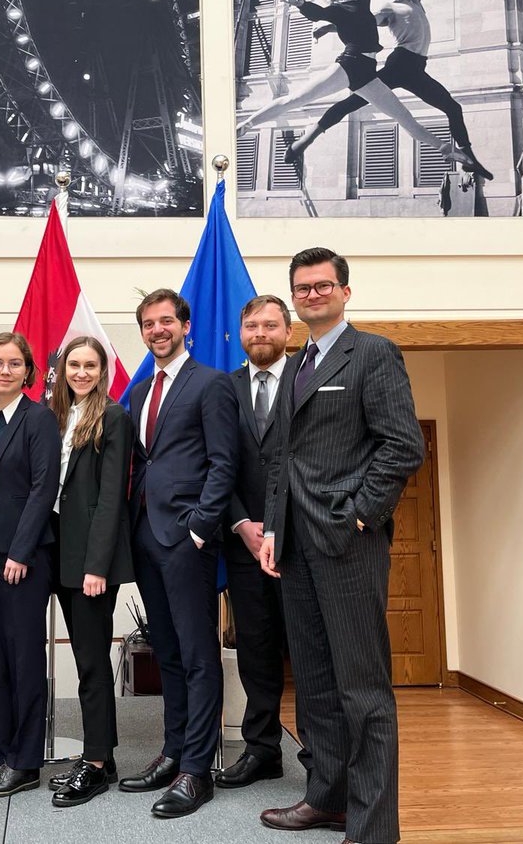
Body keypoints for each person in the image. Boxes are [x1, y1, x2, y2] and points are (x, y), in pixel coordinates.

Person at [258, 249, 423, 844]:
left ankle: (374, 827)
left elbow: (403, 447)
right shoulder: (296, 362)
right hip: (297, 549)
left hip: (347, 545)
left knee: (363, 690)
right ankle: (326, 800)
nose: (311, 295)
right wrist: (273, 530)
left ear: (345, 292)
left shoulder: (373, 353)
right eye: (301, 288)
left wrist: (359, 516)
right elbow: (281, 459)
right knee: (315, 686)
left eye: (322, 285)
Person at [120, 289, 237, 819]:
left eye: (167, 321)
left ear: (185, 326)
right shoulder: (140, 390)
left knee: (196, 655)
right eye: (149, 323)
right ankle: (173, 751)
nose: (157, 330)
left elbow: (222, 463)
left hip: (186, 540)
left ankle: (197, 768)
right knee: (165, 652)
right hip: (145, 536)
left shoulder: (210, 384)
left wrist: (199, 529)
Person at [237, 0, 470, 169]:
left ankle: (451, 152)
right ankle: (247, 124)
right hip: (349, 66)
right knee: (296, 99)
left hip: (367, 74)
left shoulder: (362, 1)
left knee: (407, 120)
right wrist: (300, 3)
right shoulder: (336, 11)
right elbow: (317, 13)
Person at [0, 332, 62, 798]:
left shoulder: (38, 418)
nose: (4, 370)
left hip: (21, 555)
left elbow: (45, 488)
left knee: (24, 658)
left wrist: (20, 552)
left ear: (28, 371)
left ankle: (25, 763)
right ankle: (3, 754)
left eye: (14, 363)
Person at [45, 336, 135, 807]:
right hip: (59, 549)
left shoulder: (113, 417)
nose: (81, 372)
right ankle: (105, 754)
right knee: (85, 654)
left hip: (91, 559)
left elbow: (110, 498)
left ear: (103, 371)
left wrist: (97, 566)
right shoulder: (55, 415)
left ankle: (96, 764)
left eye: (90, 365)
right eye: (73, 365)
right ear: (61, 369)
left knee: (91, 660)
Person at [218, 295, 302, 790]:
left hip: (301, 543)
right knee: (255, 650)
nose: (261, 333)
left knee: (310, 654)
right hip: (244, 545)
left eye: (270, 325)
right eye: (251, 325)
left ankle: (320, 754)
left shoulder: (308, 379)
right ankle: (262, 749)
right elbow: (213, 463)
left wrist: (279, 526)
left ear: (287, 331)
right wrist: (240, 524)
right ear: (240, 333)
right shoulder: (223, 390)